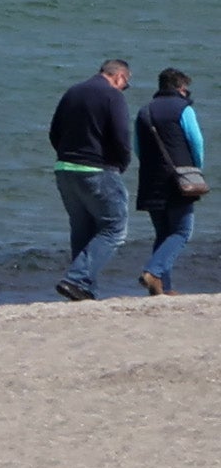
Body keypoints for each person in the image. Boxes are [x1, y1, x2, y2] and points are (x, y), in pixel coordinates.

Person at [47, 59, 136, 298]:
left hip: (65, 168)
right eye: (124, 84)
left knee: (82, 229)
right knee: (114, 228)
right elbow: (121, 136)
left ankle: (84, 290)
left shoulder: (72, 92)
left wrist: (66, 155)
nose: (122, 88)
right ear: (120, 77)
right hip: (97, 169)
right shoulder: (112, 96)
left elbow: (54, 131)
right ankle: (76, 279)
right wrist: (122, 163)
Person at [139, 69, 209, 296]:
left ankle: (162, 287)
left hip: (150, 178)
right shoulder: (183, 108)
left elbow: (138, 147)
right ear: (180, 88)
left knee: (162, 232)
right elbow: (196, 140)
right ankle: (153, 271)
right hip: (178, 179)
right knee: (181, 231)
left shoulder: (144, 111)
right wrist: (196, 168)